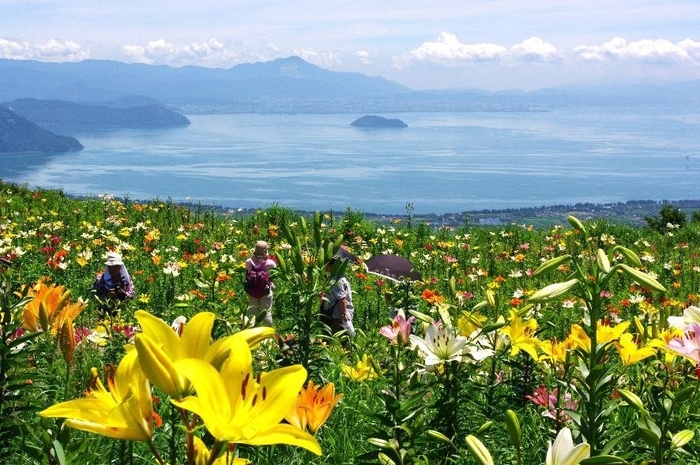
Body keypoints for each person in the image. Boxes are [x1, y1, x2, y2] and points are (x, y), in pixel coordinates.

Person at [244, 240, 276, 326]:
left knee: (253, 312)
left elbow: (248, 274)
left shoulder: (248, 262)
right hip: (265, 291)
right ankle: (268, 331)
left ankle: (252, 329)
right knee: (266, 311)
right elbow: (272, 276)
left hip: (252, 291)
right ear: (266, 251)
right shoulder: (271, 263)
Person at [324, 257, 355, 337]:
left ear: (333, 266)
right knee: (345, 338)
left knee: (327, 336)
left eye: (327, 264)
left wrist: (343, 313)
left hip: (337, 315)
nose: (325, 266)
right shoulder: (342, 277)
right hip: (341, 314)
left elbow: (342, 298)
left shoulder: (336, 280)